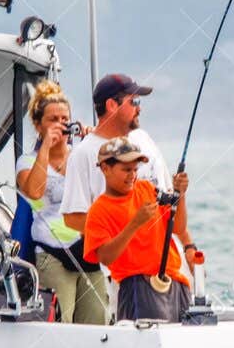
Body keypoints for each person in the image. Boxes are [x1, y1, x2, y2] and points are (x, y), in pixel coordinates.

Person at [15, 80, 107, 324]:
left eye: (64, 119)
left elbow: (109, 189)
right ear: (38, 124)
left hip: (87, 250)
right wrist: (46, 145)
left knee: (97, 321)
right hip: (51, 253)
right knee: (59, 323)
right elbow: (34, 191)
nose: (60, 125)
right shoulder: (26, 162)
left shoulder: (83, 156)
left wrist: (95, 146)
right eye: (52, 120)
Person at [82, 137, 196, 322]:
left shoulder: (147, 189)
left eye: (135, 169)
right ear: (105, 168)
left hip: (176, 283)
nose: (132, 175)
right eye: (126, 170)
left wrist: (180, 195)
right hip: (137, 288)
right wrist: (135, 224)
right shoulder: (98, 210)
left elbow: (178, 227)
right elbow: (105, 257)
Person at [60, 73, 171, 237]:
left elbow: (169, 193)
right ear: (112, 105)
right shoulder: (82, 154)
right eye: (134, 102)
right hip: (125, 260)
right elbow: (72, 218)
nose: (139, 108)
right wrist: (128, 230)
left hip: (169, 255)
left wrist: (188, 245)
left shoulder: (144, 138)